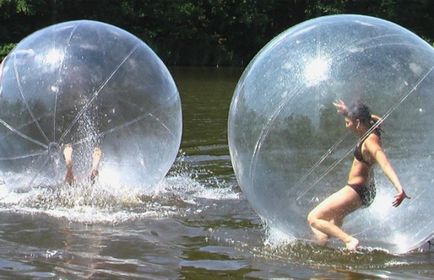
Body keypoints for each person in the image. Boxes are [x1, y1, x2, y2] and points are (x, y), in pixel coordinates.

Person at [307, 100, 410, 251]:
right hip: (365, 191)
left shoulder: (370, 142)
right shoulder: (373, 126)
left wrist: (399, 188)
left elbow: (385, 164)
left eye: (348, 121)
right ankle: (321, 253)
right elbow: (373, 117)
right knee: (331, 225)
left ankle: (350, 241)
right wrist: (347, 111)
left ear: (358, 123)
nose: (346, 125)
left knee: (314, 218)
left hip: (356, 191)